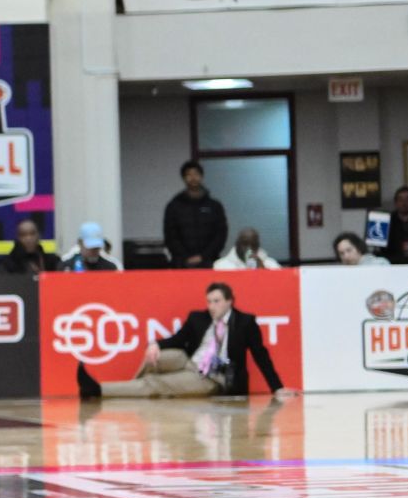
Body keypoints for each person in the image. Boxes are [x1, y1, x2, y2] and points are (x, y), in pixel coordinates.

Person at [77, 282, 289, 399]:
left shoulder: (245, 322)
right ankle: (135, 388)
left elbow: (261, 354)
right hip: (189, 361)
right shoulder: (198, 318)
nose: (212, 306)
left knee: (155, 383)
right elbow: (178, 339)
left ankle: (98, 390)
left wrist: (277, 387)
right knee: (157, 358)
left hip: (212, 376)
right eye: (209, 301)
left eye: (217, 301)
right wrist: (155, 345)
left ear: (229, 301)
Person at [164, 160, 229, 269]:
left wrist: (203, 256)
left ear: (201, 176)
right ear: (184, 178)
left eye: (196, 174)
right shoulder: (173, 206)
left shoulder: (214, 206)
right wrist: (185, 257)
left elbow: (220, 235)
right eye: (189, 174)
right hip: (181, 264)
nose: (193, 178)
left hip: (210, 261)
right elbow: (170, 236)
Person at [215, 227, 281, 270]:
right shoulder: (221, 266)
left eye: (253, 245)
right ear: (237, 244)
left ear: (258, 246)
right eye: (245, 244)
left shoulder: (271, 265)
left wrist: (263, 270)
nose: (249, 248)